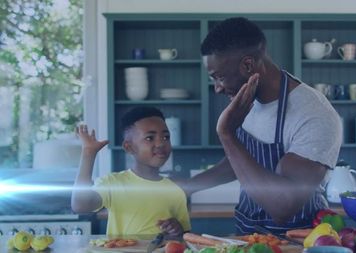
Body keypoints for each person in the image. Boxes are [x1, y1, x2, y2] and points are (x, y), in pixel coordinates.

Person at [184, 17, 342, 235]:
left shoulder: (314, 115)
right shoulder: (247, 99)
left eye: (219, 77)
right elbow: (236, 162)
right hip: (247, 237)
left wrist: (227, 134)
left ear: (248, 65)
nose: (217, 88)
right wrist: (184, 188)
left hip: (295, 244)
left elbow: (283, 206)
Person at [71, 106, 191, 237]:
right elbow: (80, 206)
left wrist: (177, 229)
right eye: (150, 138)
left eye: (166, 137)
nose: (161, 143)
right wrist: (88, 154)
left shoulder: (175, 190)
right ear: (129, 147)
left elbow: (185, 237)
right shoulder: (113, 183)